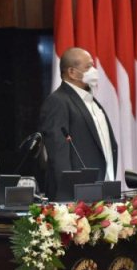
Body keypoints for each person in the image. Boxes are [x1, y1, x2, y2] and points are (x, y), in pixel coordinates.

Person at [39, 47, 118, 200]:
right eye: (88, 67)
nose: (94, 70)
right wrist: (68, 197)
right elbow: (58, 153)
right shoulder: (58, 101)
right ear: (72, 72)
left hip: (102, 188)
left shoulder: (91, 101)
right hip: (77, 196)